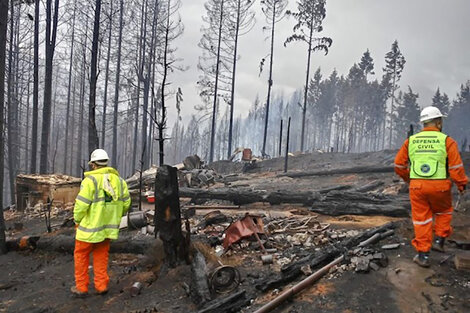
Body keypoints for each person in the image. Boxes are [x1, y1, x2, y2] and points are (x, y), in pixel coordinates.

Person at [394, 106, 467, 267]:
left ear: (423, 124)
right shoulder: (447, 141)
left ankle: (423, 256)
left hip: (417, 187)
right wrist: (461, 185)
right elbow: (456, 169)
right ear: (438, 122)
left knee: (421, 220)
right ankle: (439, 240)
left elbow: (399, 165)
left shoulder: (411, 141)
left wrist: (409, 179)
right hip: (440, 186)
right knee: (443, 211)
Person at [71, 149, 131, 297]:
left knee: (81, 256)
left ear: (93, 164)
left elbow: (81, 205)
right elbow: (126, 203)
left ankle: (81, 288)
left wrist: (76, 219)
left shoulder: (90, 181)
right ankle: (101, 285)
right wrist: (114, 216)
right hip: (107, 230)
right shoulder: (119, 181)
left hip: (87, 230)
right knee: (101, 256)